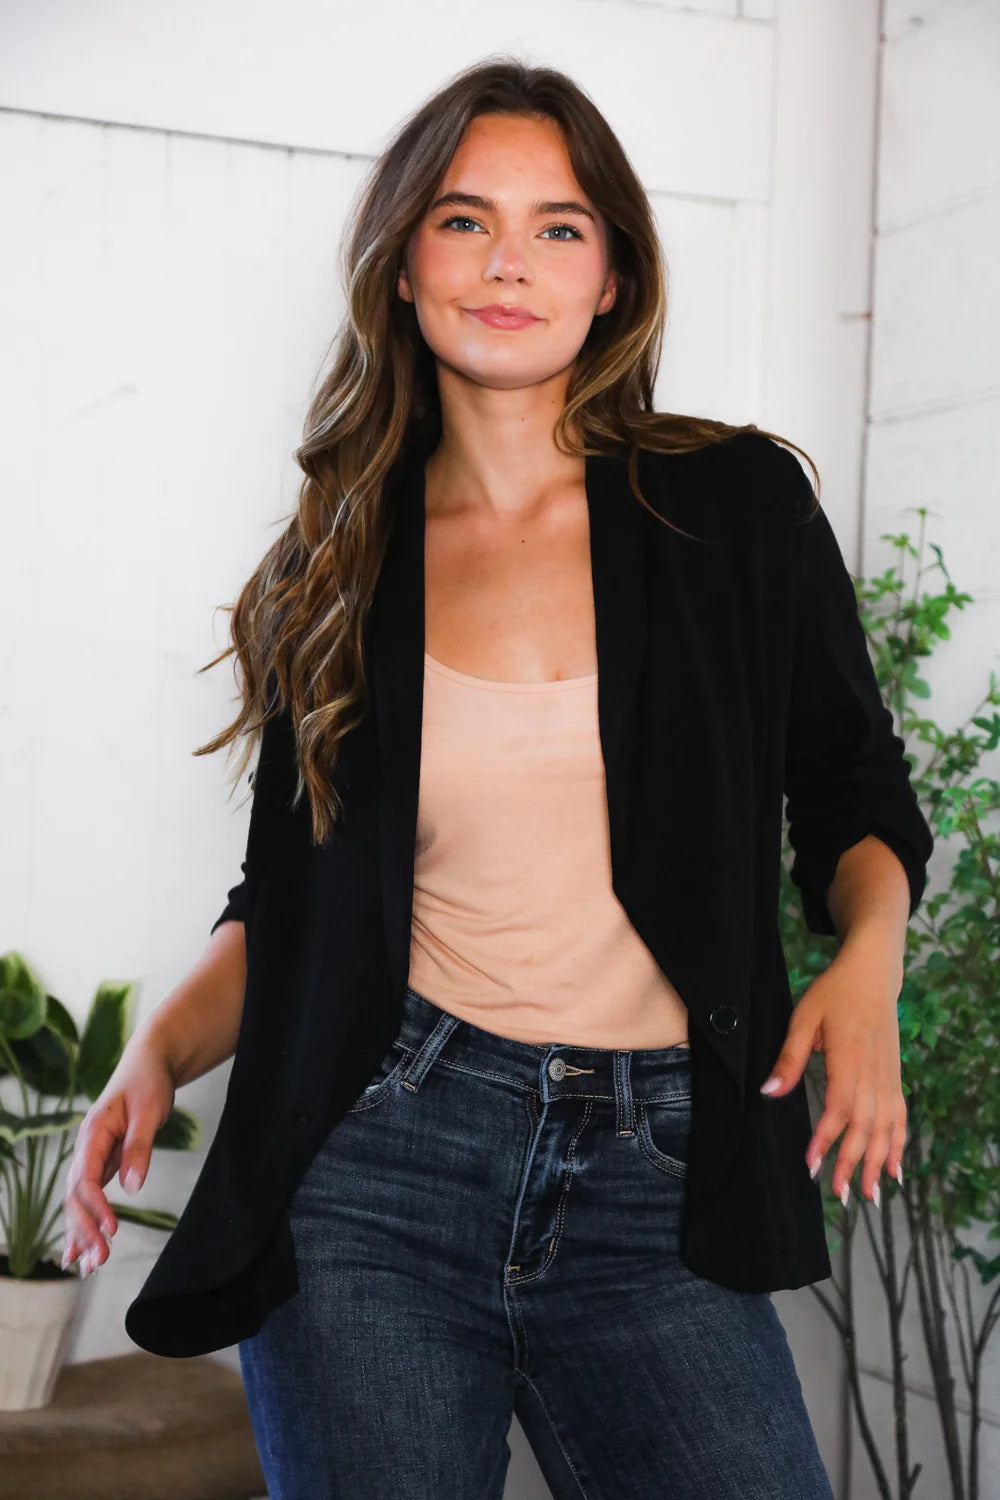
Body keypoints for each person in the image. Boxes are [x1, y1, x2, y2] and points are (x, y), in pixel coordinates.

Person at [63, 58, 933, 1499]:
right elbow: (293, 904)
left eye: (558, 226)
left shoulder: (732, 509)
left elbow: (853, 791)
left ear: (612, 276)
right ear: (404, 264)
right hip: (377, 1169)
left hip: (661, 1176)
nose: (509, 262)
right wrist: (157, 1050)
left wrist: (870, 966)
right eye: (465, 220)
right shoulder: (338, 566)